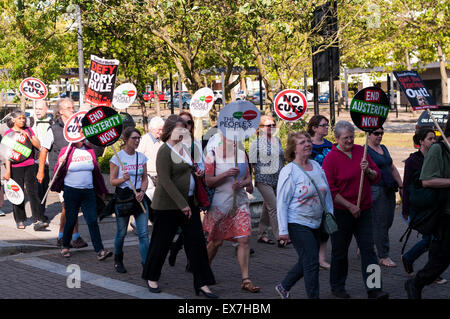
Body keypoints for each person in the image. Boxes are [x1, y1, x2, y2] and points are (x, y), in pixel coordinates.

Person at [142, 115, 217, 298]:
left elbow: (187, 169)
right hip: (168, 205)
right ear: (169, 130)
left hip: (189, 203)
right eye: (179, 129)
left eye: (184, 129)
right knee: (161, 243)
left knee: (197, 243)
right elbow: (165, 181)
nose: (183, 132)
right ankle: (152, 276)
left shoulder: (184, 148)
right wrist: (182, 205)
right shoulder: (164, 151)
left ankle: (202, 283)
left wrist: (196, 172)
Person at [322, 120, 389, 299]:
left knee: (369, 250)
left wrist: (368, 172)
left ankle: (374, 288)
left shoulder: (362, 151)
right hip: (342, 213)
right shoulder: (331, 159)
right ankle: (337, 287)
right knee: (340, 251)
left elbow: (377, 177)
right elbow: (331, 190)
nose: (350, 141)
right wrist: (350, 206)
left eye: (352, 137)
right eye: (345, 138)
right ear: (336, 138)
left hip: (364, 210)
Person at [275, 131, 334, 299]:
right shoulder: (289, 171)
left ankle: (284, 286)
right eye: (302, 142)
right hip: (297, 222)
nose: (308, 144)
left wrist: (330, 214)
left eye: (308, 141)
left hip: (316, 222)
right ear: (294, 149)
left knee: (307, 259)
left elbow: (326, 193)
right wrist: (283, 230)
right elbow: (282, 202)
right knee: (312, 263)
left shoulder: (316, 166)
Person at [203, 132, 260, 293]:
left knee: (244, 239)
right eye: (229, 138)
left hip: (240, 203)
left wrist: (242, 183)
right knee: (216, 242)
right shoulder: (212, 156)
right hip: (221, 205)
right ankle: (204, 271)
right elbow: (208, 181)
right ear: (222, 139)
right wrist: (226, 174)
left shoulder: (242, 155)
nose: (234, 141)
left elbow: (249, 178)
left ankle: (245, 279)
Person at [405, 121, 450, 299]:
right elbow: (427, 181)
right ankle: (415, 283)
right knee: (439, 261)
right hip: (444, 215)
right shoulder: (438, 150)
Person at [37, 98, 88, 248]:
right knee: (69, 205)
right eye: (68, 108)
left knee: (71, 205)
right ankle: (69, 236)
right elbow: (44, 150)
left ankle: (68, 236)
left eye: (73, 107)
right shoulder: (53, 129)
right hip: (61, 175)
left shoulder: (78, 128)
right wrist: (40, 172)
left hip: (76, 172)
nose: (72, 110)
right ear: (60, 111)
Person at [51, 139, 112, 260]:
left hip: (88, 192)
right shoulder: (66, 150)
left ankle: (100, 250)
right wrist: (61, 163)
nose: (81, 137)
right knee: (71, 219)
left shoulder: (89, 150)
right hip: (71, 191)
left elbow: (96, 171)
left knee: (92, 220)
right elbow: (57, 171)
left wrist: (101, 190)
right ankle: (65, 246)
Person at [168, 111, 205, 269]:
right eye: (182, 123)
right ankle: (172, 249)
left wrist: (200, 172)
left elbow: (201, 164)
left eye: (189, 123)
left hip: (193, 192)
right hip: (177, 194)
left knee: (194, 231)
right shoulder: (172, 144)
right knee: (172, 230)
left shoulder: (195, 143)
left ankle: (191, 261)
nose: (186, 126)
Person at [110, 127, 150, 273]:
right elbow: (113, 181)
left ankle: (147, 265)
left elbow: (145, 178)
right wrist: (123, 179)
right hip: (123, 198)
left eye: (139, 138)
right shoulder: (117, 157)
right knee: (121, 232)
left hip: (139, 197)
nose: (137, 141)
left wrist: (143, 191)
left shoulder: (141, 157)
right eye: (134, 138)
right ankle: (118, 259)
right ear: (125, 140)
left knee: (144, 234)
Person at [2, 111, 48, 230]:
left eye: (23, 118)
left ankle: (38, 218)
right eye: (19, 118)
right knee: (18, 193)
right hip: (15, 167)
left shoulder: (28, 130)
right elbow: (6, 154)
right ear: (13, 120)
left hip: (30, 164)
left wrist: (27, 135)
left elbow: (38, 145)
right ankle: (20, 219)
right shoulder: (8, 133)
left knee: (33, 192)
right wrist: (7, 171)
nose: (22, 120)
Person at [367, 127, 403, 267]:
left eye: (382, 133)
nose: (379, 136)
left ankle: (364, 243)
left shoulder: (384, 148)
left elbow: (392, 167)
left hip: (389, 188)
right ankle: (383, 256)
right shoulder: (366, 151)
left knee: (387, 221)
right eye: (376, 133)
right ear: (368, 135)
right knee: (381, 222)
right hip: (377, 189)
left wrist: (401, 186)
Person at [249, 115, 284, 247]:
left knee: (267, 206)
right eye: (268, 125)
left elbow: (282, 159)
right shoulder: (256, 143)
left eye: (273, 125)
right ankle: (280, 236)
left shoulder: (278, 140)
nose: (271, 127)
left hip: (277, 178)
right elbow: (251, 163)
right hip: (263, 179)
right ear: (261, 128)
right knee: (274, 207)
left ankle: (261, 234)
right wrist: (249, 182)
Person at [307, 115, 333, 269]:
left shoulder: (330, 146)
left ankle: (321, 258)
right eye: (323, 125)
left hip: (327, 189)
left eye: (327, 125)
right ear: (314, 127)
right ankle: (311, 256)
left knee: (325, 226)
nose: (326, 127)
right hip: (311, 190)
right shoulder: (307, 145)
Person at [33, 100, 53, 221]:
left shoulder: (52, 123)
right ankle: (38, 215)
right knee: (36, 191)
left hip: (48, 162)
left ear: (46, 109)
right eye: (36, 108)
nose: (38, 111)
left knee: (44, 190)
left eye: (40, 109)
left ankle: (41, 213)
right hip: (35, 162)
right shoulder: (31, 123)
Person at [136, 116, 164, 199]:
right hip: (148, 176)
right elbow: (138, 158)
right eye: (159, 130)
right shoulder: (144, 140)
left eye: (162, 129)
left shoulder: (162, 141)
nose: (161, 132)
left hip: (160, 176)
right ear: (152, 129)